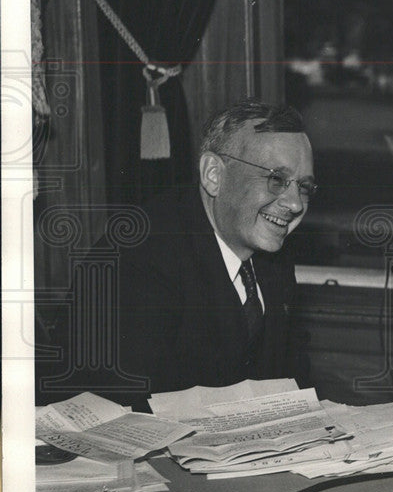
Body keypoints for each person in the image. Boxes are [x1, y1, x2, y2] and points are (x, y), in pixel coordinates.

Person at [102, 99, 314, 409]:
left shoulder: (274, 260)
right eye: (276, 180)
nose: (295, 203)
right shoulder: (140, 257)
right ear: (214, 174)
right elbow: (132, 411)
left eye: (304, 186)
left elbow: (294, 385)